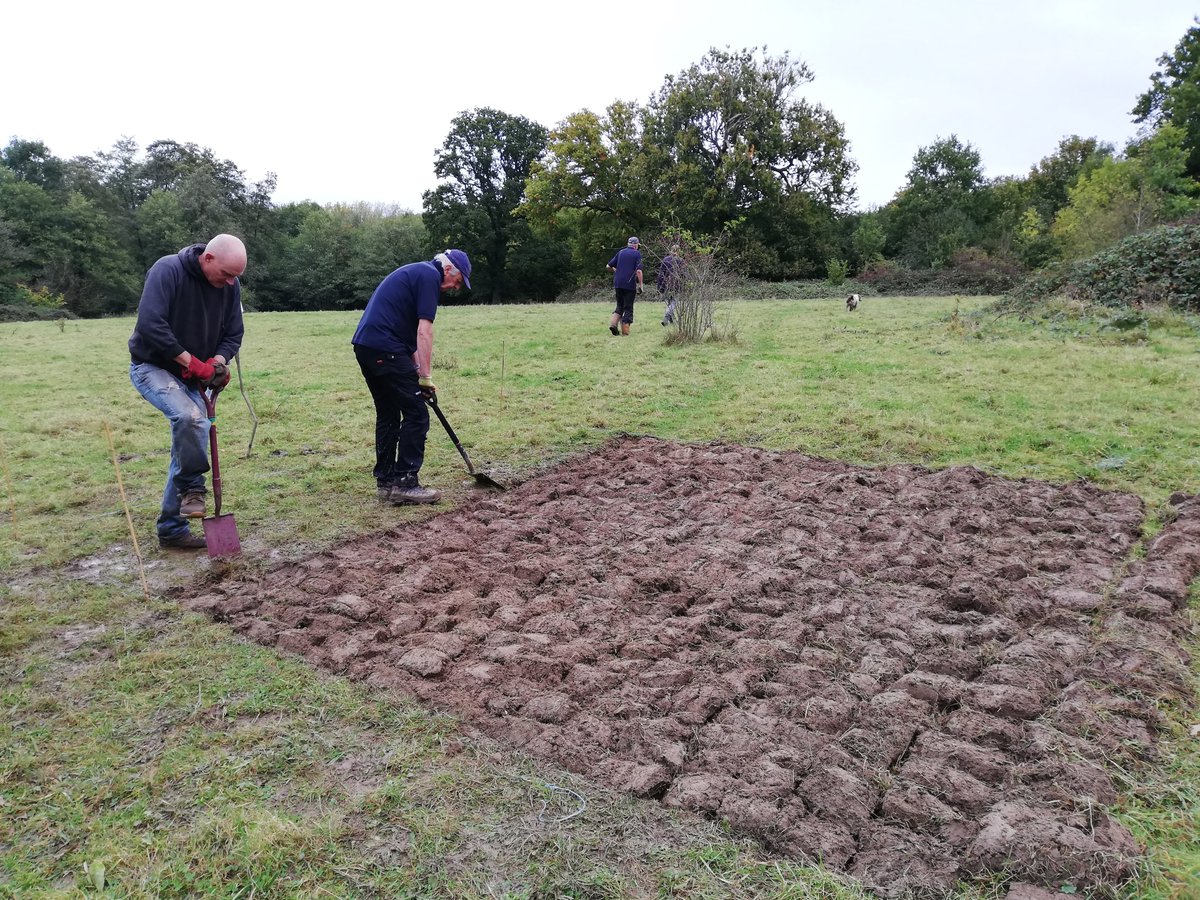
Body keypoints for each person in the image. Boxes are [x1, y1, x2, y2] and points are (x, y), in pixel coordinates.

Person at [128, 234, 246, 550]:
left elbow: (234, 332)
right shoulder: (167, 271)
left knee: (192, 435)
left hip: (193, 375)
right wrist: (191, 363)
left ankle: (171, 528)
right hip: (152, 366)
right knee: (190, 417)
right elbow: (151, 325)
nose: (232, 282)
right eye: (227, 274)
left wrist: (217, 363)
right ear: (208, 259)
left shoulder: (229, 286)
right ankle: (193, 488)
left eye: (236, 276)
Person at [351, 249, 472, 505]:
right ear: (449, 269)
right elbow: (424, 332)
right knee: (416, 414)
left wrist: (418, 374)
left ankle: (385, 482)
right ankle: (406, 482)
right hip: (386, 349)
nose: (455, 288)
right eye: (458, 281)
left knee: (389, 414)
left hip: (367, 347)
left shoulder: (417, 272)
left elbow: (409, 338)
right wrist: (426, 377)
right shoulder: (429, 277)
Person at [606, 236, 643, 336]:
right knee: (628, 307)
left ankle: (613, 324)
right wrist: (641, 285)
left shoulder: (621, 252)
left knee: (619, 305)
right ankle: (625, 332)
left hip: (618, 283)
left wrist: (616, 271)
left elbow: (608, 266)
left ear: (628, 244)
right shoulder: (637, 254)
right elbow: (639, 271)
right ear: (636, 245)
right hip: (629, 284)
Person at [658, 248, 682, 326]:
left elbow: (661, 274)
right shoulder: (680, 261)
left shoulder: (665, 260)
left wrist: (660, 286)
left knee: (669, 302)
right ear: (678, 251)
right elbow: (683, 274)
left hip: (666, 284)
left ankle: (672, 321)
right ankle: (667, 316)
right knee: (673, 302)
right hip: (676, 284)